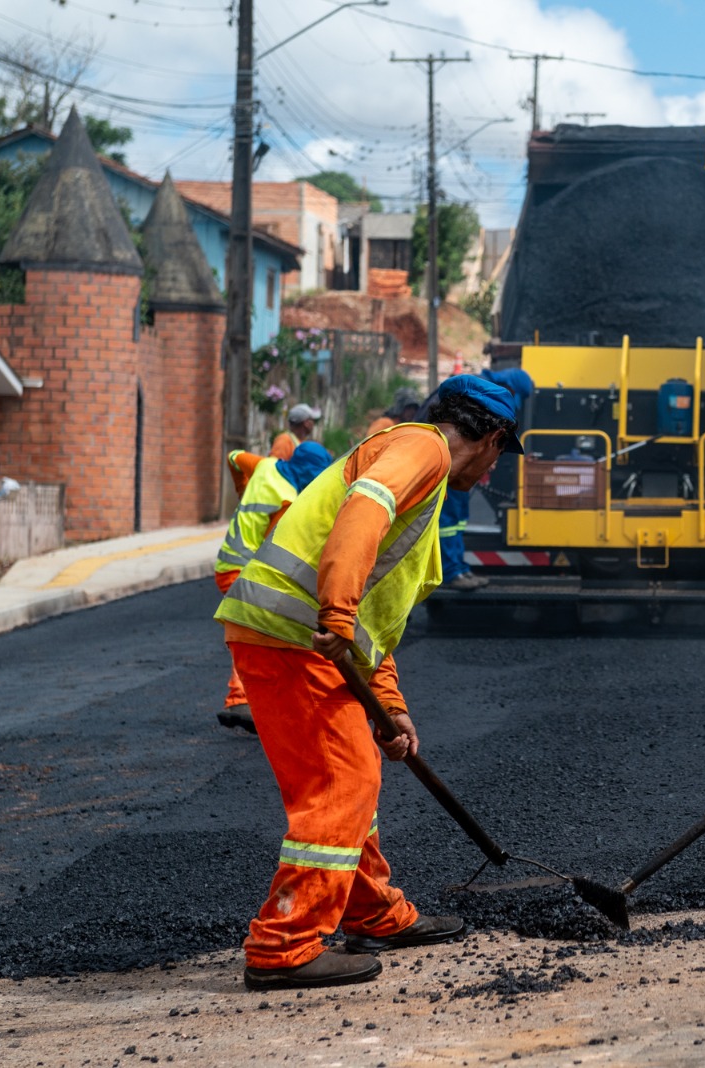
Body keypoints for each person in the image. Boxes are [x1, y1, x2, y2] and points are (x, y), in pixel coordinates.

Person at [215, 374, 523, 990]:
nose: (491, 472)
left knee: (355, 782)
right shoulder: (424, 448)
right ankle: (285, 944)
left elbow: (373, 626)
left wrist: (390, 707)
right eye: (498, 457)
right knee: (342, 784)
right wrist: (334, 607)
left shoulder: (424, 485)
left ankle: (369, 910)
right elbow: (364, 511)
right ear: (489, 437)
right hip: (296, 635)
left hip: (302, 640)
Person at [215, 441, 334, 733]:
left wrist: (242, 489)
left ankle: (256, 701)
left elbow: (233, 457)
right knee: (256, 633)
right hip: (245, 572)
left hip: (227, 565)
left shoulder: (265, 465)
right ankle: (240, 699)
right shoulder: (287, 502)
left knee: (256, 632)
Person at [438, 366, 535, 591]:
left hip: (454, 464)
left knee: (458, 519)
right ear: (509, 387)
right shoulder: (476, 392)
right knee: (449, 521)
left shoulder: (482, 390)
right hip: (450, 465)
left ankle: (458, 569)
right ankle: (451, 572)